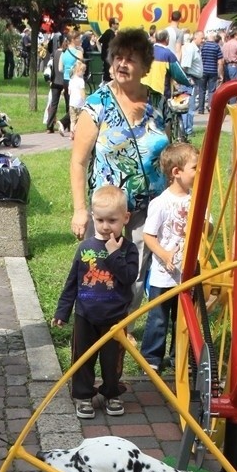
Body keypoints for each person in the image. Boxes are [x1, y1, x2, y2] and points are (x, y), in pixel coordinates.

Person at [69, 26, 169, 307]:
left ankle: (123, 325)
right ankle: (95, 322)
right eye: (118, 57)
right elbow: (78, 161)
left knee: (135, 271)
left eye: (131, 58)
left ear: (145, 67)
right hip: (107, 207)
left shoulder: (159, 103)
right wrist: (80, 210)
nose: (122, 64)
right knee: (99, 267)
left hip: (148, 207)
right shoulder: (97, 104)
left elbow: (171, 153)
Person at [52, 185, 138, 419]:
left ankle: (111, 393)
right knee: (83, 357)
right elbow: (73, 282)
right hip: (86, 315)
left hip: (115, 317)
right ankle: (83, 395)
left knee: (112, 361)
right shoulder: (86, 247)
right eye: (100, 220)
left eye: (112, 220)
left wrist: (113, 254)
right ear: (92, 218)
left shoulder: (128, 249)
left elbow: (129, 277)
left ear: (125, 218)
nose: (105, 226)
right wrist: (63, 311)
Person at [139, 142, 198, 373]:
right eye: (194, 168)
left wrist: (205, 226)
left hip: (189, 273)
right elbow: (148, 235)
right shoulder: (160, 203)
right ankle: (152, 358)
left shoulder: (196, 199)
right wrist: (163, 254)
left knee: (183, 319)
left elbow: (209, 227)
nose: (198, 172)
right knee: (159, 318)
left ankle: (180, 356)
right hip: (164, 276)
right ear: (177, 172)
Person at [142, 29, 192, 101]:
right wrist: (188, 83)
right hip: (160, 93)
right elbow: (179, 75)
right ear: (167, 39)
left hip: (143, 91)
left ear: (155, 39)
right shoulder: (168, 55)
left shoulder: (145, 52)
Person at [45, 36, 70, 135]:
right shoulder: (67, 54)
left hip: (55, 81)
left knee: (53, 104)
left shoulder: (55, 53)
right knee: (69, 104)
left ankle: (49, 126)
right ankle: (68, 125)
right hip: (65, 81)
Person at [180, 31, 204, 136]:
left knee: (190, 105)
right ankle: (187, 130)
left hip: (193, 79)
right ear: (195, 37)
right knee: (189, 106)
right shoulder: (191, 49)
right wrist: (188, 79)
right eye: (202, 38)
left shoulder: (196, 49)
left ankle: (187, 129)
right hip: (190, 80)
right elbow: (185, 66)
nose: (203, 40)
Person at [198, 33, 223, 113]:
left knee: (202, 90)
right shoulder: (216, 46)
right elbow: (220, 62)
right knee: (211, 91)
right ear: (214, 38)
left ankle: (201, 109)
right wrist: (221, 74)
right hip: (213, 71)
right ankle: (210, 107)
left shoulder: (203, 46)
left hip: (203, 71)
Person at [68, 58, 87, 135]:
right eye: (83, 71)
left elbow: (69, 92)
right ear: (79, 71)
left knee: (72, 120)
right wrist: (85, 100)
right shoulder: (81, 81)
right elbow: (82, 92)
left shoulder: (71, 80)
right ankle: (75, 131)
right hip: (79, 104)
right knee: (79, 120)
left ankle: (71, 133)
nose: (84, 73)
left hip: (72, 103)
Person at [98, 17, 119, 82]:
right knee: (109, 77)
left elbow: (98, 41)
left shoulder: (108, 32)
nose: (118, 25)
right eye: (117, 23)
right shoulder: (110, 33)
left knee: (108, 76)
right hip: (109, 59)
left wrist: (102, 52)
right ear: (112, 24)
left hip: (107, 58)